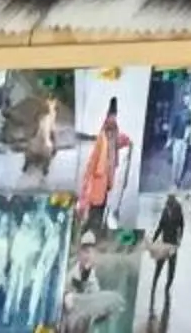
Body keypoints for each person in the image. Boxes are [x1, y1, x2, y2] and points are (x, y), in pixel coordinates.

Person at [75, 98, 131, 240]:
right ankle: (85, 234)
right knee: (94, 211)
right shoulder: (102, 136)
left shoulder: (114, 133)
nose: (113, 118)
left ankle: (94, 235)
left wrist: (127, 142)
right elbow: (93, 160)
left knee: (101, 210)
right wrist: (86, 180)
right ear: (107, 117)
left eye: (114, 115)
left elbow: (119, 143)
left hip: (108, 181)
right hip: (98, 180)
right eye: (111, 116)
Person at [143, 191, 184, 325]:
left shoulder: (178, 209)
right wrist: (154, 240)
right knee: (159, 267)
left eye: (171, 198)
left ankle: (167, 289)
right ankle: (154, 286)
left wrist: (179, 240)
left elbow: (182, 225)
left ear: (174, 199)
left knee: (171, 269)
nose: (169, 200)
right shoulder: (165, 210)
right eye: (168, 198)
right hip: (163, 243)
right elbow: (160, 226)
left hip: (172, 244)